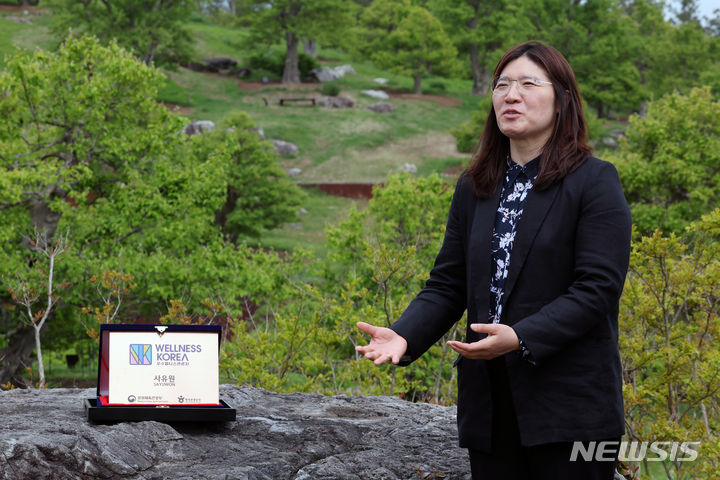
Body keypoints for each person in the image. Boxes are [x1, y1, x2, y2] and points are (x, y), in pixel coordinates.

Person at [355, 41, 632, 480]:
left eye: (527, 83)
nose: (511, 95)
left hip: (572, 409)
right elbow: (448, 284)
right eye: (501, 85)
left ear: (561, 100)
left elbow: (597, 288)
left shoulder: (594, 181)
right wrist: (404, 335)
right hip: (490, 406)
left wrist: (521, 336)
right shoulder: (475, 186)